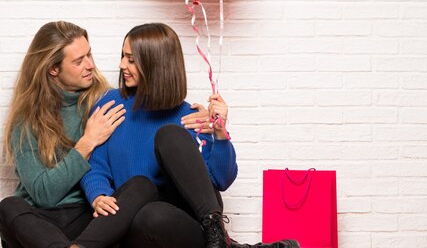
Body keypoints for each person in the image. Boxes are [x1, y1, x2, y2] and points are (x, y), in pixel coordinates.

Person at [80, 23, 299, 248]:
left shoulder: (189, 117)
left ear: (155, 64)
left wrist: (220, 132)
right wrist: (99, 195)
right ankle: (231, 247)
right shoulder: (111, 104)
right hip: (135, 221)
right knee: (151, 215)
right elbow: (94, 164)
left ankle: (218, 237)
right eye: (123, 57)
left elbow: (220, 180)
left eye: (131, 60)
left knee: (170, 136)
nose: (121, 65)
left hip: (184, 226)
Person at [0, 21, 158, 248]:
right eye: (78, 61)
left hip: (88, 219)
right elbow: (44, 194)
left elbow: (155, 112)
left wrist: (201, 118)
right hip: (40, 224)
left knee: (141, 185)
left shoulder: (105, 102)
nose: (90, 65)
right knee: (10, 206)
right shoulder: (26, 120)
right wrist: (87, 142)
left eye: (89, 55)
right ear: (54, 69)